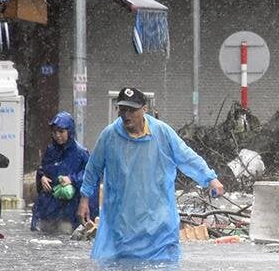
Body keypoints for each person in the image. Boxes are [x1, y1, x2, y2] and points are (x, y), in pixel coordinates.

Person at [76, 86, 225, 261]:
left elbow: (187, 157)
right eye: (122, 109)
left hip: (159, 223)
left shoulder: (162, 133)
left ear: (144, 109)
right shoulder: (109, 136)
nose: (126, 115)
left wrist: (210, 179)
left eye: (132, 110)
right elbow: (93, 168)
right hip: (123, 223)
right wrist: (84, 199)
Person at [32, 111, 95, 234]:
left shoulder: (81, 153)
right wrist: (42, 177)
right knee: (43, 235)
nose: (57, 135)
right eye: (55, 132)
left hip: (69, 209)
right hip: (48, 207)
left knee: (64, 234)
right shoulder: (51, 150)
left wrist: (72, 179)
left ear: (69, 131)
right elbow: (43, 168)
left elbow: (90, 176)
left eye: (61, 132)